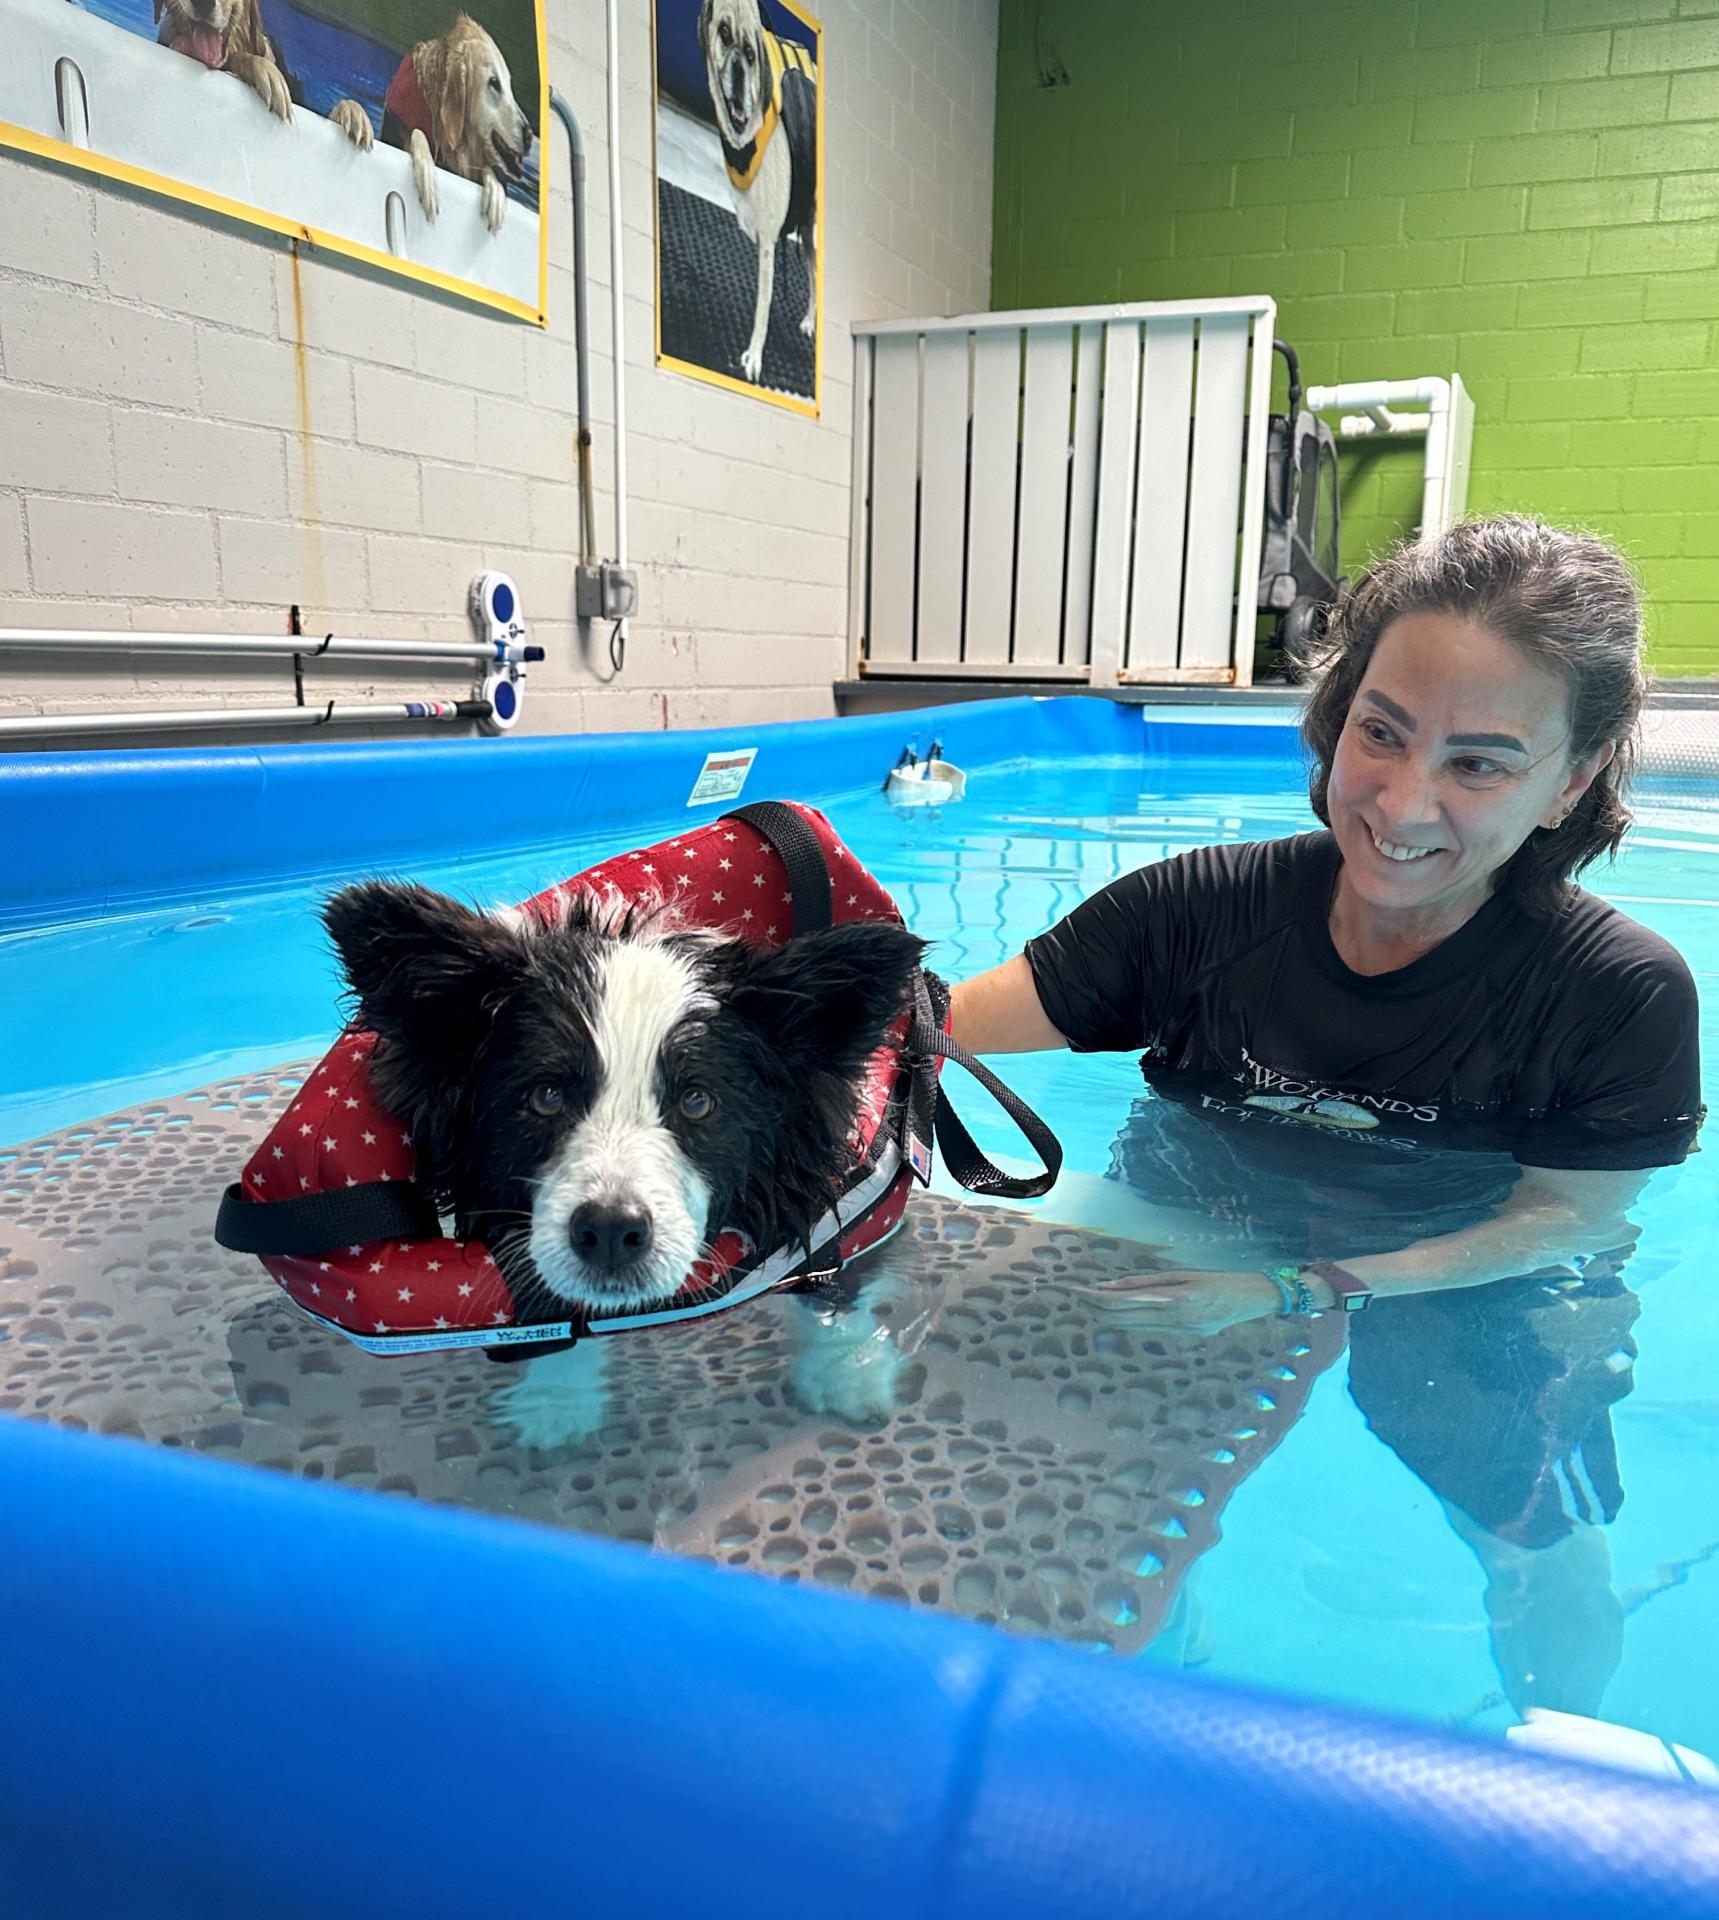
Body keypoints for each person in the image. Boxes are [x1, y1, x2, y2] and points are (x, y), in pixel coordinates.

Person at [950, 515, 1705, 1717]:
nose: (1403, 806)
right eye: (1383, 733)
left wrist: (1312, 1285)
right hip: (1205, 1203)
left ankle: (1564, 1757)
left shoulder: (1619, 993)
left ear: (1570, 781)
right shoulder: (1200, 911)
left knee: (1534, 1528)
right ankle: (1148, 1667)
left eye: (1480, 763)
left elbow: (1563, 1221)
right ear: (1335, 713)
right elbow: (931, 1027)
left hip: (1477, 1263)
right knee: (1081, 1455)